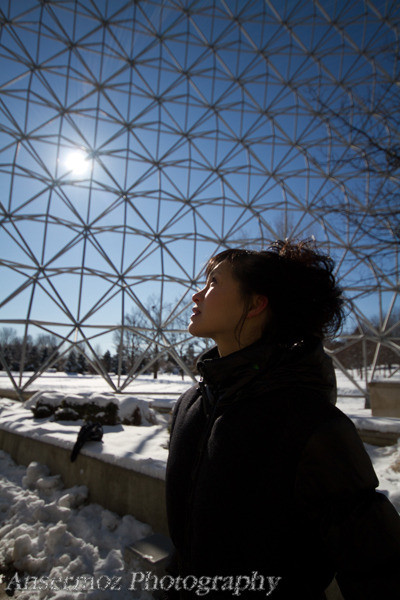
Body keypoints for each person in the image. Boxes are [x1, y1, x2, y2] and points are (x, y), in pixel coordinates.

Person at [165, 239, 400, 600]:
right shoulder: (189, 406)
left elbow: (377, 569)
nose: (197, 294)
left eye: (214, 282)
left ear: (257, 304)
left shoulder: (312, 427)